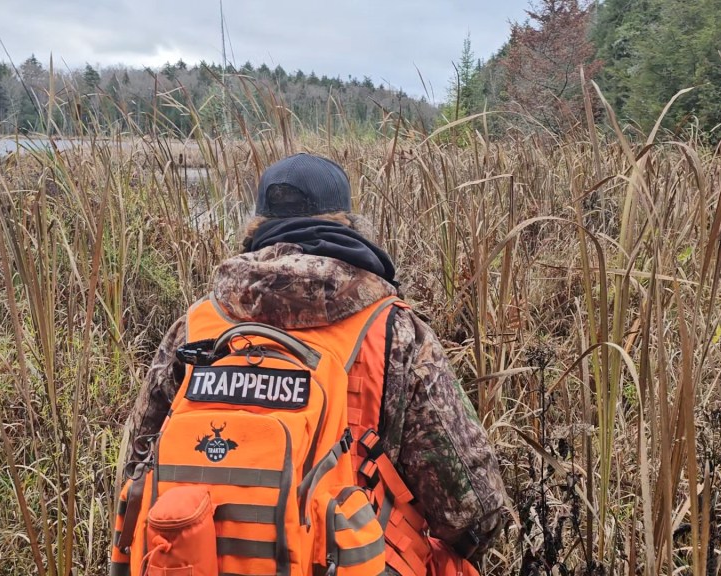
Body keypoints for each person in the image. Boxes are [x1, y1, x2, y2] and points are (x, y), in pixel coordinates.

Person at [117, 152, 509, 575]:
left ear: (256, 229)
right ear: (349, 226)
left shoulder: (194, 327)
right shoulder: (395, 331)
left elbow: (135, 469)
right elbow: (472, 510)